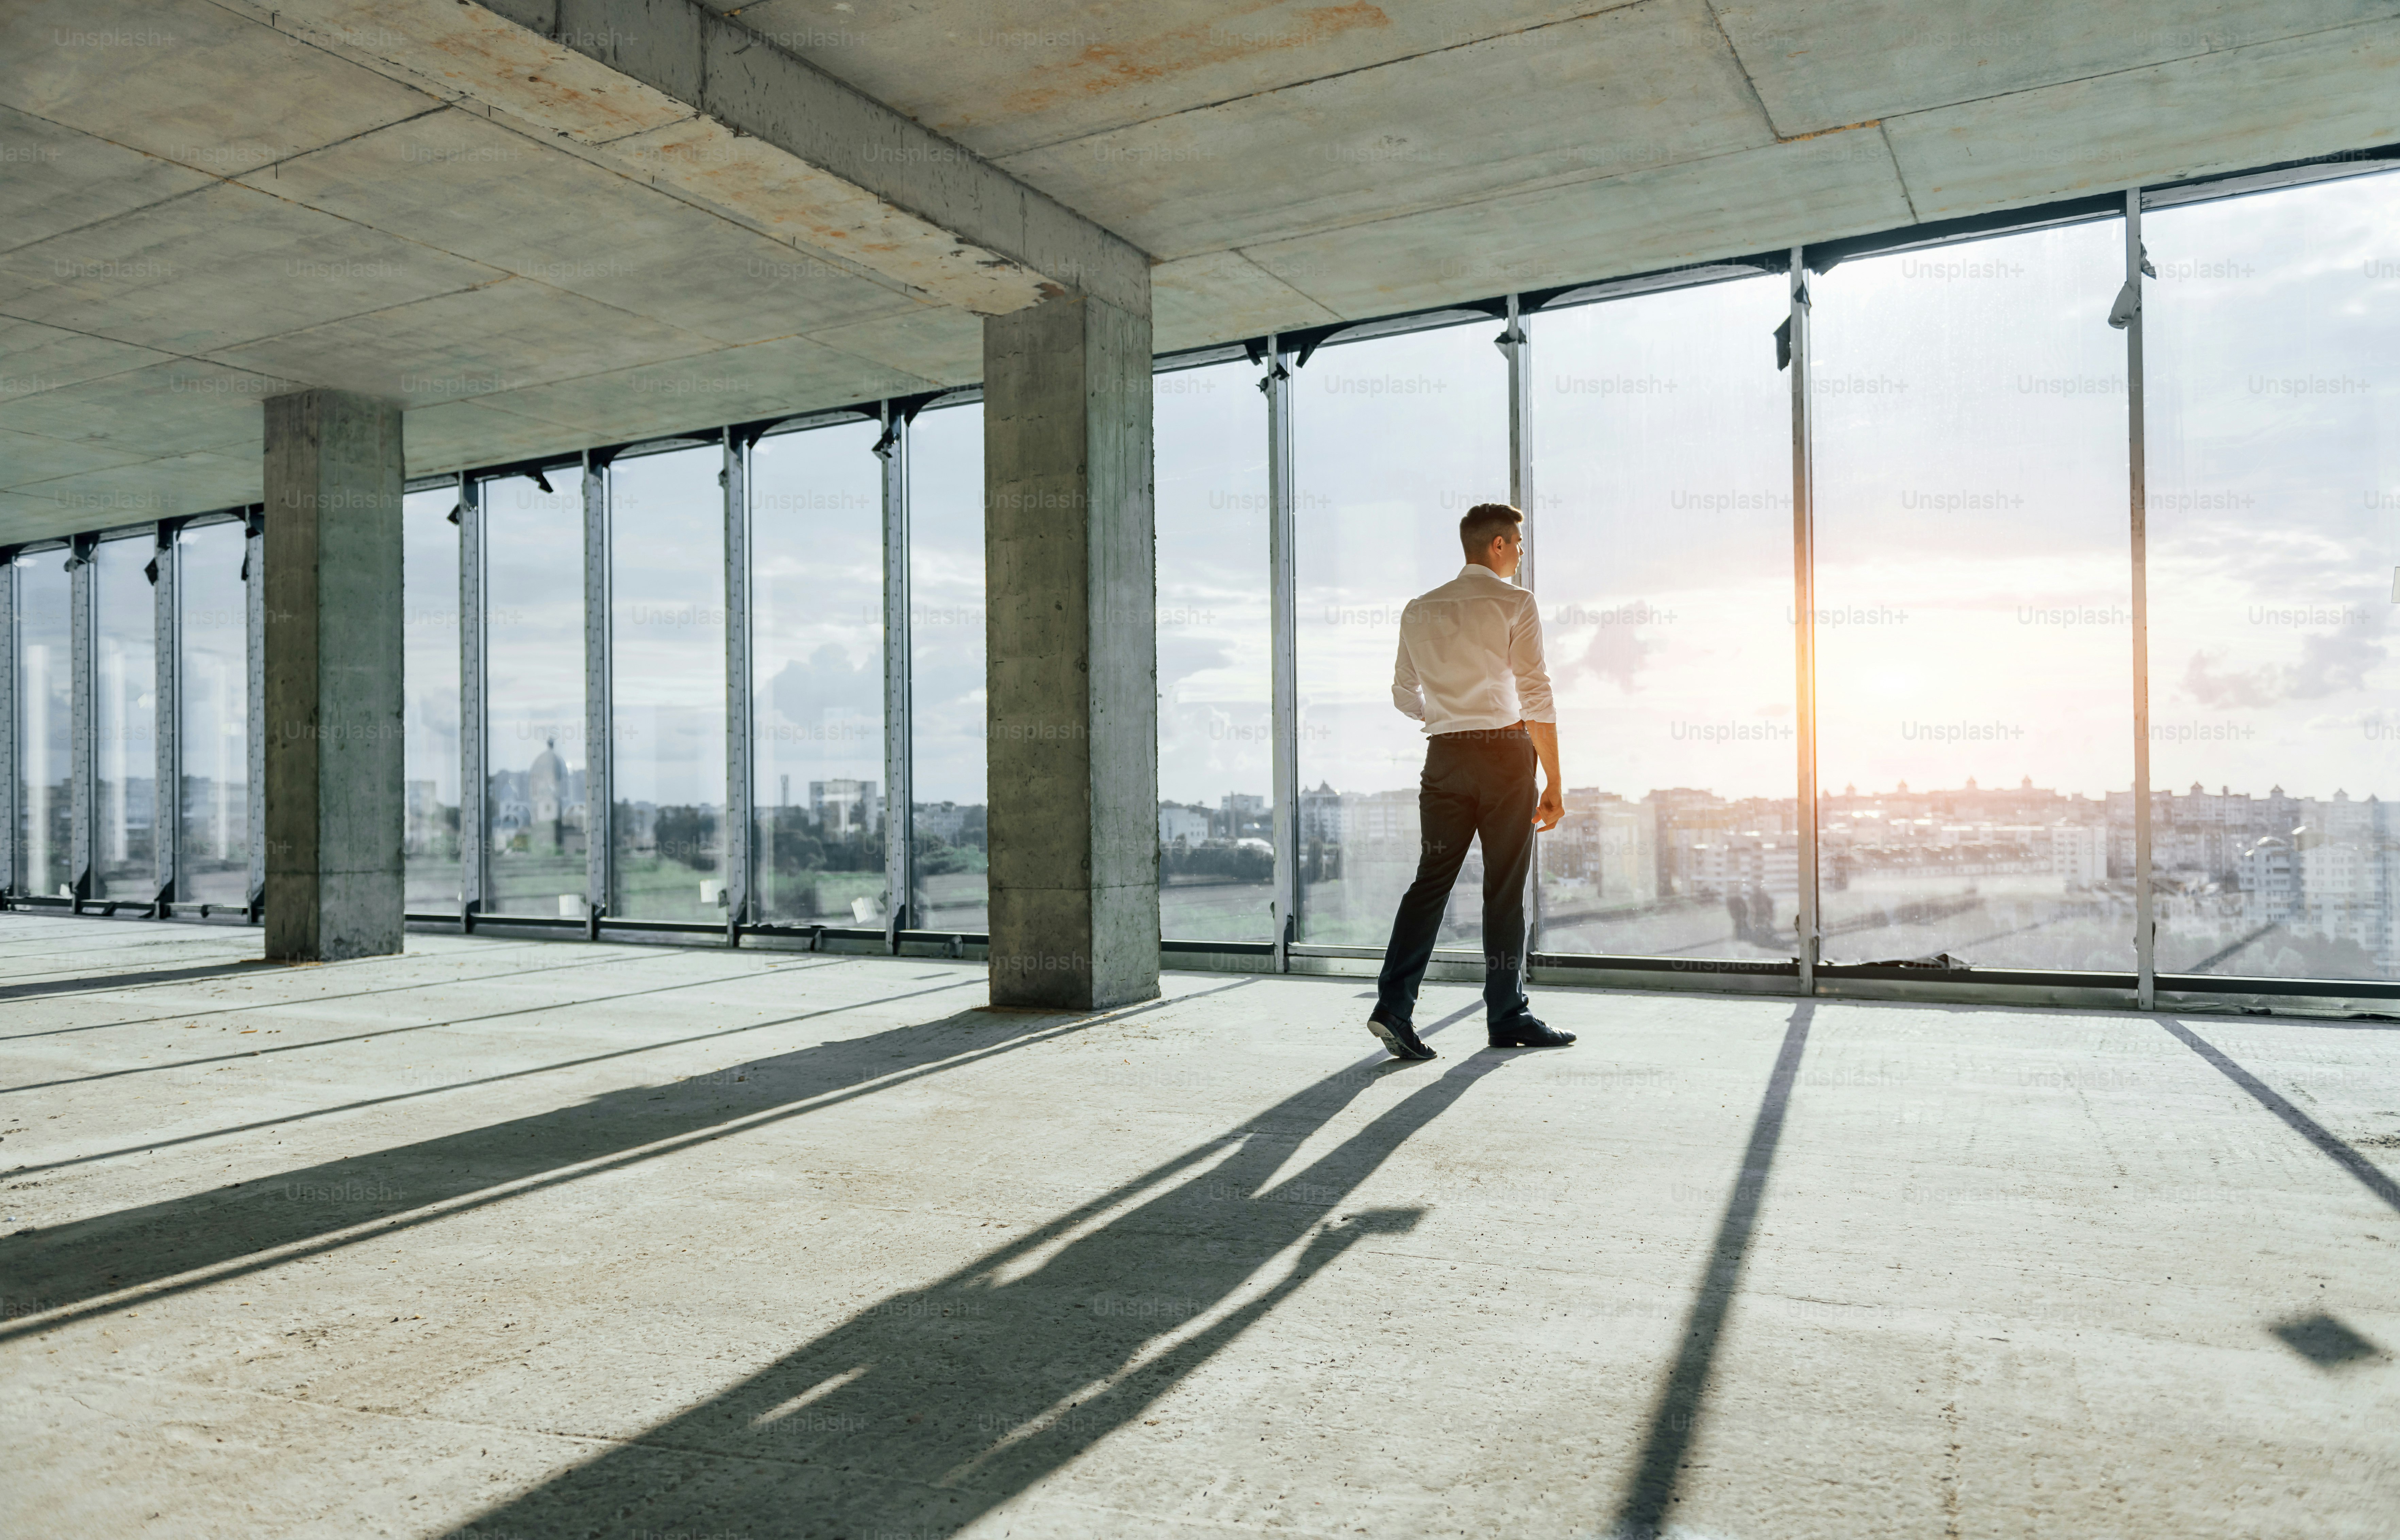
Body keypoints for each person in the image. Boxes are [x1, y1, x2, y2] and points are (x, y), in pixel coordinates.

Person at [1366, 502, 1576, 1061]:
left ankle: (1393, 1007)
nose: (1523, 554)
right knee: (1503, 888)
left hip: (1444, 757)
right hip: (1507, 755)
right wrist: (1554, 778)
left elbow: (1402, 694)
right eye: (1520, 544)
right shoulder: (1515, 603)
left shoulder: (1419, 609)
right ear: (1499, 545)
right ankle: (1508, 1014)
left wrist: (1448, 717)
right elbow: (1536, 691)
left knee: (1430, 882)